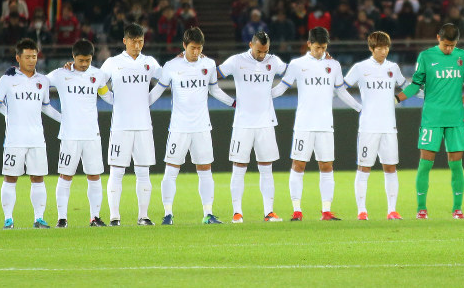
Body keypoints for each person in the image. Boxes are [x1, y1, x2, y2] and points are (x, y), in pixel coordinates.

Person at [271, 27, 362, 221]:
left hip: (325, 124)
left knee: (327, 166)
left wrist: (360, 108)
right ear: (309, 44)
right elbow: (280, 89)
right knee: (298, 164)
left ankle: (326, 211)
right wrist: (262, 96)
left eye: (324, 47)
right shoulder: (297, 64)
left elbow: (341, 91)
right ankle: (297, 210)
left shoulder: (334, 65)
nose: (320, 51)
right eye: (317, 47)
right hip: (304, 124)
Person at [149, 27, 235, 224]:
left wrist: (234, 103)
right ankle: (168, 214)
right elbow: (156, 92)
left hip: (202, 127)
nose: (196, 52)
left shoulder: (209, 64)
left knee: (205, 169)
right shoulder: (171, 66)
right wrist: (141, 105)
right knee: (171, 169)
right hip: (179, 128)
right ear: (184, 46)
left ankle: (208, 213)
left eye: (199, 48)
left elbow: (215, 90)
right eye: (193, 48)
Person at [395, 24, 464, 219]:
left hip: (455, 119)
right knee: (425, 164)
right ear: (438, 38)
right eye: (445, 45)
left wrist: (463, 100)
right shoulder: (426, 56)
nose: (448, 49)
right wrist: (398, 98)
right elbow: (415, 85)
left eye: (452, 45)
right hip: (432, 118)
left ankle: (457, 209)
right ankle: (421, 209)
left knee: (456, 164)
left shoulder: (462, 56)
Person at [0, 38, 62, 229]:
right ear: (18, 58)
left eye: (34, 56)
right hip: (14, 139)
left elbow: (46, 107)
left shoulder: (42, 81)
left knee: (38, 178)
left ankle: (39, 218)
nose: (32, 60)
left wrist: (65, 119)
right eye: (27, 56)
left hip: (37, 139)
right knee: (10, 178)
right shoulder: (7, 79)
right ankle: (8, 219)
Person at [216, 31, 287, 223]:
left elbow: (293, 74)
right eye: (259, 51)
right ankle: (237, 212)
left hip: (265, 123)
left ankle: (269, 212)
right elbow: (212, 77)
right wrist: (230, 102)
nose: (262, 55)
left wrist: (273, 93)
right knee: (239, 167)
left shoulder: (274, 61)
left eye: (265, 51)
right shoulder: (236, 61)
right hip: (243, 124)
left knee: (266, 168)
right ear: (250, 45)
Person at [98, 23, 161, 226]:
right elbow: (98, 82)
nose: (137, 45)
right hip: (121, 126)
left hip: (143, 126)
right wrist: (112, 99)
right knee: (117, 171)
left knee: (143, 172)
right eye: (134, 41)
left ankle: (143, 216)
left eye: (141, 41)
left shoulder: (149, 63)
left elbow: (167, 80)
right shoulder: (112, 63)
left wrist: (149, 99)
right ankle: (114, 217)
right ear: (125, 41)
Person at [47, 39, 113, 228]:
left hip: (92, 134)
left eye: (88, 60)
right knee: (65, 176)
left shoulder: (98, 75)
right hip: (69, 135)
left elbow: (106, 95)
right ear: (73, 57)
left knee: (94, 176)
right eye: (81, 60)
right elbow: (40, 82)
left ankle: (95, 217)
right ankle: (62, 218)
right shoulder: (61, 74)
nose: (84, 64)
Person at [343, 31, 406, 220]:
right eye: (380, 48)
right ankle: (362, 210)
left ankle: (392, 210)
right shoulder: (360, 68)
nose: (384, 51)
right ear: (371, 48)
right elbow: (341, 88)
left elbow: (407, 87)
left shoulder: (393, 68)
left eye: (387, 47)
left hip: (389, 127)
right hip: (368, 127)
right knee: (364, 168)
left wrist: (429, 93)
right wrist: (357, 107)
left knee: (390, 168)